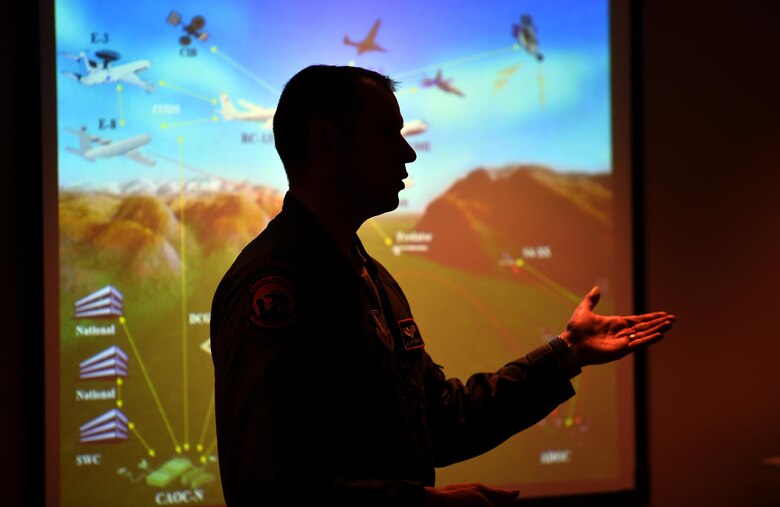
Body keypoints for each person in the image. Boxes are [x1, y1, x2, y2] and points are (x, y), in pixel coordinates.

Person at [210, 64, 676, 507]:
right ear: (326, 140)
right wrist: (418, 505)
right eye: (387, 133)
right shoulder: (272, 288)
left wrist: (565, 353)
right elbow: (265, 491)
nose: (408, 151)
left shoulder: (371, 277)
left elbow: (438, 419)